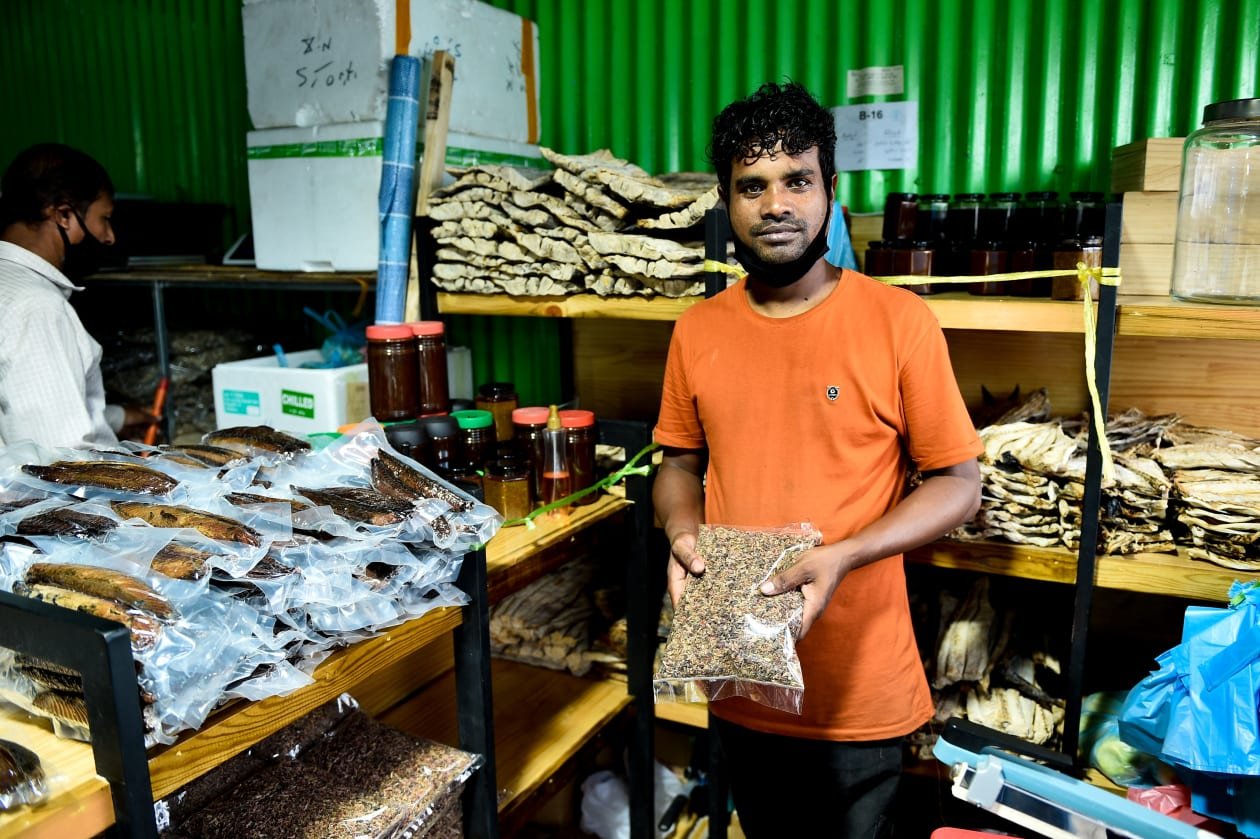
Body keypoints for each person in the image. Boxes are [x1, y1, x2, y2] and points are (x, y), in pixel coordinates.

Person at [652, 81, 984, 837]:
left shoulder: (898, 321)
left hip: (857, 689)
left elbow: (958, 484)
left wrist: (845, 555)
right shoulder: (697, 330)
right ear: (726, 202)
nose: (776, 204)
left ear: (831, 191)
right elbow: (677, 464)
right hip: (740, 668)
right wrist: (681, 532)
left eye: (797, 180)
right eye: (752, 186)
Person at [0, 143, 153, 449]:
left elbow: (25, 409)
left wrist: (116, 418)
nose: (109, 236)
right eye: (104, 218)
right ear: (64, 214)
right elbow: (59, 456)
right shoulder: (38, 307)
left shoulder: (11, 285)